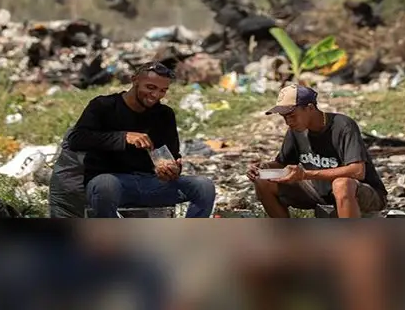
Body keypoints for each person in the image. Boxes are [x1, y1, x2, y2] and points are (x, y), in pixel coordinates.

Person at [67, 61, 216, 218]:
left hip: (152, 182)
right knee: (106, 185)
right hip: (113, 183)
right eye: (150, 88)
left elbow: (172, 154)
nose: (156, 95)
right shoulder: (104, 106)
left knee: (203, 186)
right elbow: (76, 139)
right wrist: (123, 137)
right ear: (134, 80)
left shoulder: (164, 114)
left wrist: (171, 169)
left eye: (162, 90)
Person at [247, 84, 387, 218]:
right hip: (318, 191)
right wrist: (263, 168)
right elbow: (282, 163)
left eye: (292, 116)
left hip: (363, 193)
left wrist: (305, 174)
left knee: (341, 184)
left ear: (310, 108)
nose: (288, 122)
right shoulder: (296, 131)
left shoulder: (343, 125)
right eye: (284, 117)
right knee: (262, 182)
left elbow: (358, 171)